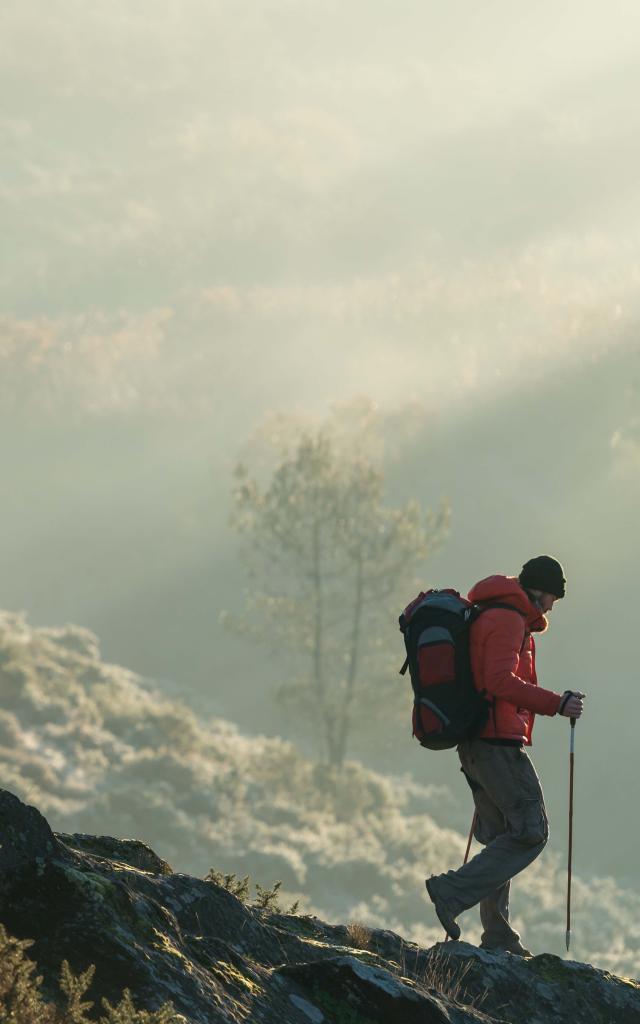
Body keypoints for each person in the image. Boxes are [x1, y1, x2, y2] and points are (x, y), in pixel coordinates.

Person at [424, 555, 585, 956]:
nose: (551, 606)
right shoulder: (508, 618)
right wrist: (556, 703)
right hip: (495, 743)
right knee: (531, 830)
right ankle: (450, 891)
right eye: (552, 596)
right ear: (539, 589)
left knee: (499, 837)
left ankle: (498, 938)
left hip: (478, 742)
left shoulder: (494, 612)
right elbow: (497, 681)